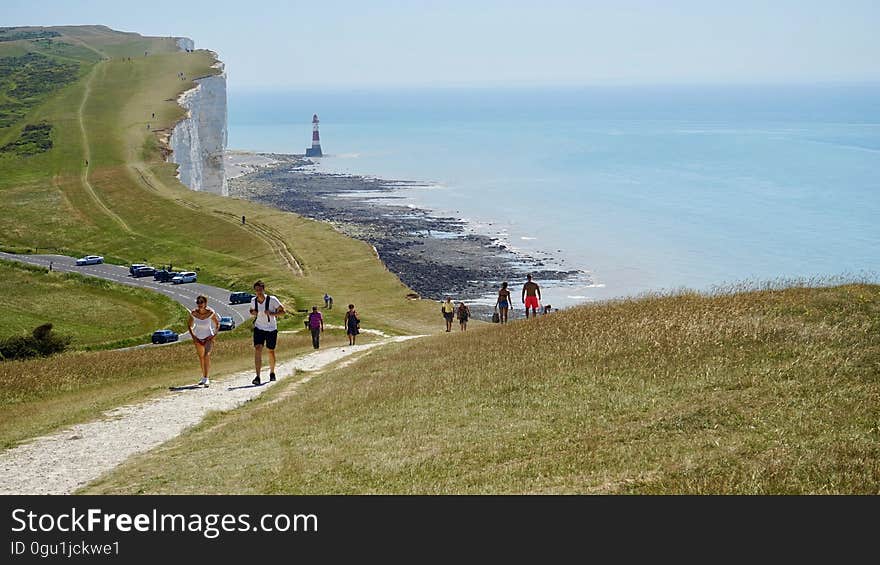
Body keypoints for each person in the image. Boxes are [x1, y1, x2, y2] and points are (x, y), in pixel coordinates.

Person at [249, 280, 285, 385]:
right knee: (258, 348)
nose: (259, 292)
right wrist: (253, 312)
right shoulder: (253, 300)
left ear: (264, 290)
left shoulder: (272, 300)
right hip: (258, 328)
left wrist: (272, 313)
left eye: (260, 290)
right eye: (256, 290)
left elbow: (283, 312)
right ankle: (257, 376)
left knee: (270, 350)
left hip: (271, 329)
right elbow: (251, 310)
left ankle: (272, 372)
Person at [188, 295, 220, 387]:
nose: (200, 304)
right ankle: (203, 376)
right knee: (201, 357)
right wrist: (193, 336)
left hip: (208, 337)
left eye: (201, 302)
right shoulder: (193, 313)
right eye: (198, 302)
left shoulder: (210, 313)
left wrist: (214, 335)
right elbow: (189, 325)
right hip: (198, 338)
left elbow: (217, 324)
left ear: (205, 303)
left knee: (206, 355)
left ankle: (206, 378)